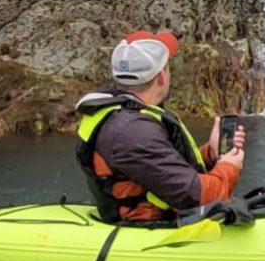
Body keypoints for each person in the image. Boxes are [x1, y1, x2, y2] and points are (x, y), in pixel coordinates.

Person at [73, 30, 246, 224]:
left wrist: (210, 155)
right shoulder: (132, 132)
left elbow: (158, 169)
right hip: (147, 226)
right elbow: (196, 197)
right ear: (162, 76)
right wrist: (229, 168)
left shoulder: (128, 118)